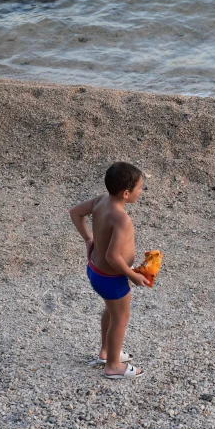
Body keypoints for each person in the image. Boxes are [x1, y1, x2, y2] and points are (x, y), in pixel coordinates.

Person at [69, 162, 150, 379]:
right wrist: (132, 274)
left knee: (111, 312)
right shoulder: (122, 219)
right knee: (121, 317)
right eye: (139, 188)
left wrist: (88, 239)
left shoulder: (100, 201)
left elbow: (75, 212)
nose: (141, 191)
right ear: (126, 193)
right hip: (112, 278)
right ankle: (113, 366)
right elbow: (112, 257)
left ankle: (106, 352)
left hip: (96, 272)